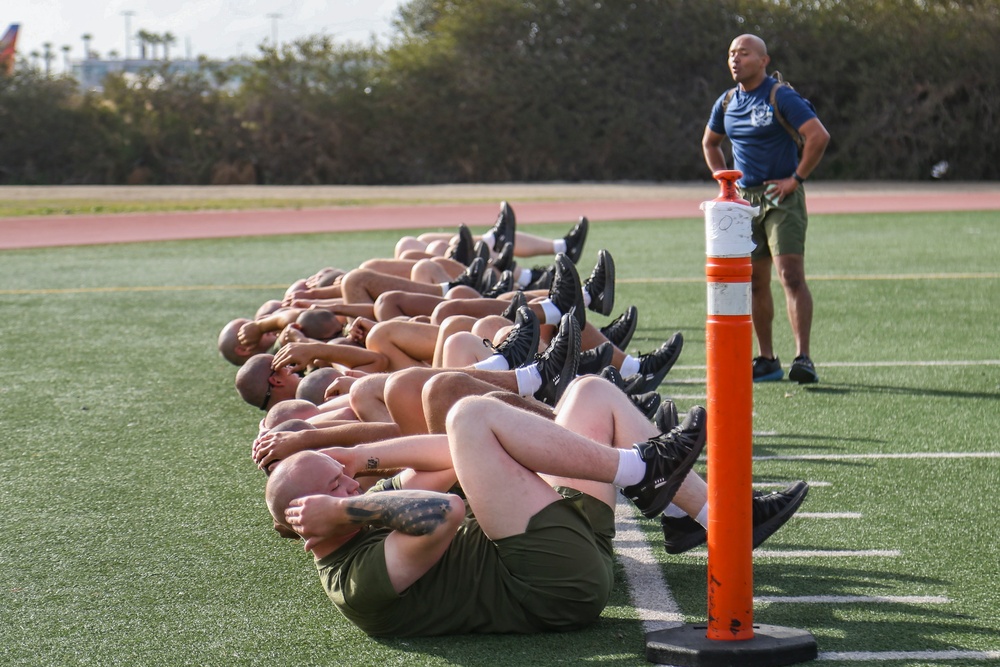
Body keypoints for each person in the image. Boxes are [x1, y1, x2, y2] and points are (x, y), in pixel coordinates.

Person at [266, 374, 808, 636]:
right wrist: (345, 511)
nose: (352, 490)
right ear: (306, 523)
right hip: (553, 588)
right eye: (337, 488)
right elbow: (443, 514)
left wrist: (357, 455)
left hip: (556, 544)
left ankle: (714, 519)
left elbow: (448, 458)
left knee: (591, 393)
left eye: (344, 481)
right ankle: (643, 472)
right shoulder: (353, 580)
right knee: (470, 417)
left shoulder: (361, 508)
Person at [702, 33, 830, 384]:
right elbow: (710, 142)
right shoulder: (727, 101)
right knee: (756, 281)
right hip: (745, 202)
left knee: (790, 276)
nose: (735, 59)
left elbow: (818, 135)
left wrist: (796, 179)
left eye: (743, 53)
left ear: (763, 61)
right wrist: (723, 180)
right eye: (731, 53)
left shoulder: (780, 96)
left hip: (781, 198)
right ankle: (767, 358)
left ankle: (803, 357)